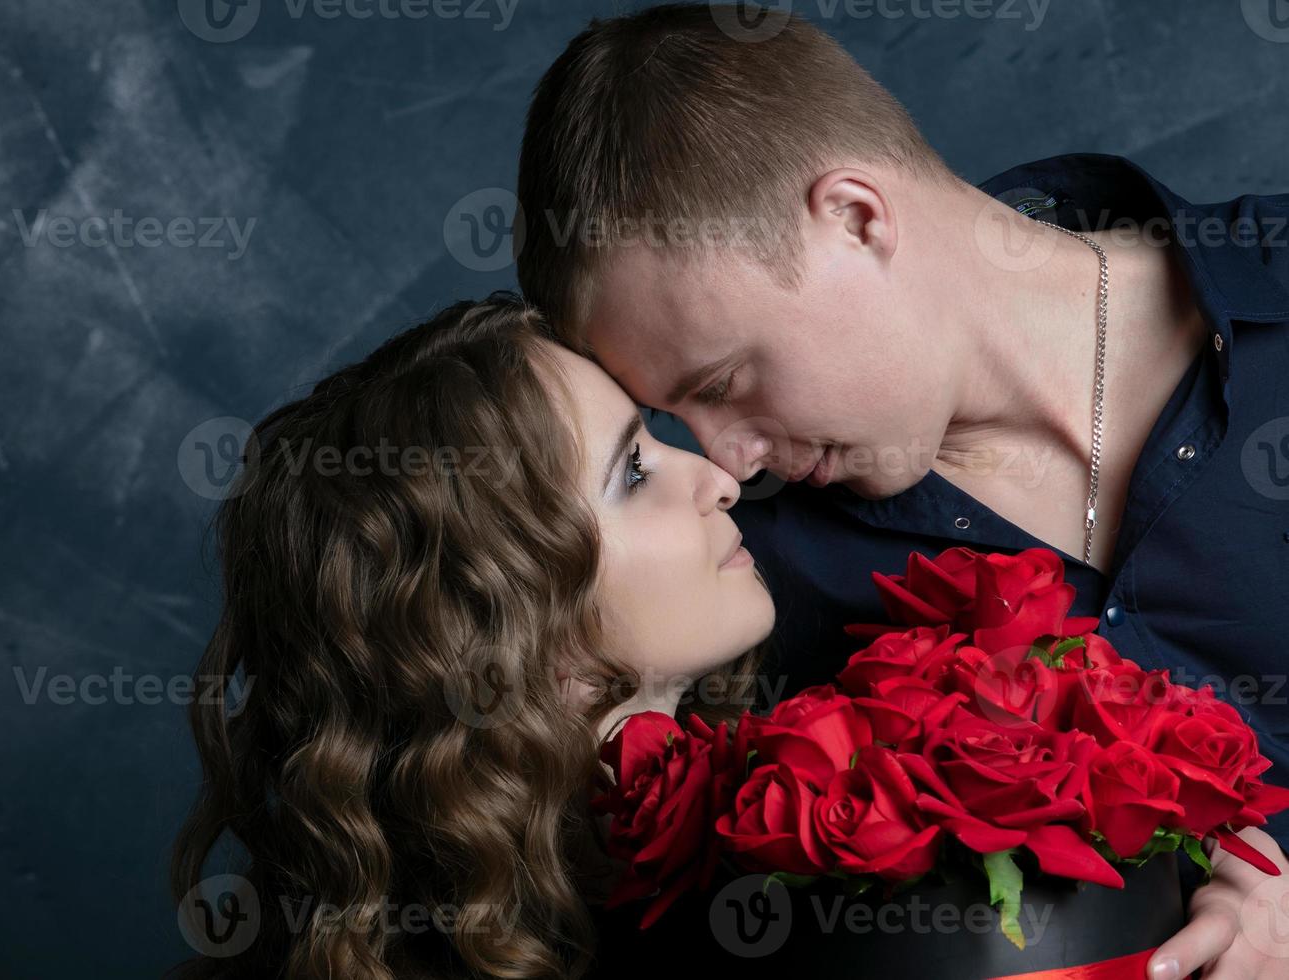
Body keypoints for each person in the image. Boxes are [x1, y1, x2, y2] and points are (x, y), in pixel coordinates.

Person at [514, 5, 1289, 978]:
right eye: (675, 418)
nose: (730, 459)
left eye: (721, 384)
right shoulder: (749, 587)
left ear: (856, 218)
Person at [169, 293, 776, 979]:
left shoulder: (798, 791)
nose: (721, 480)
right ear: (496, 620)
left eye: (654, 439)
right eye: (632, 472)